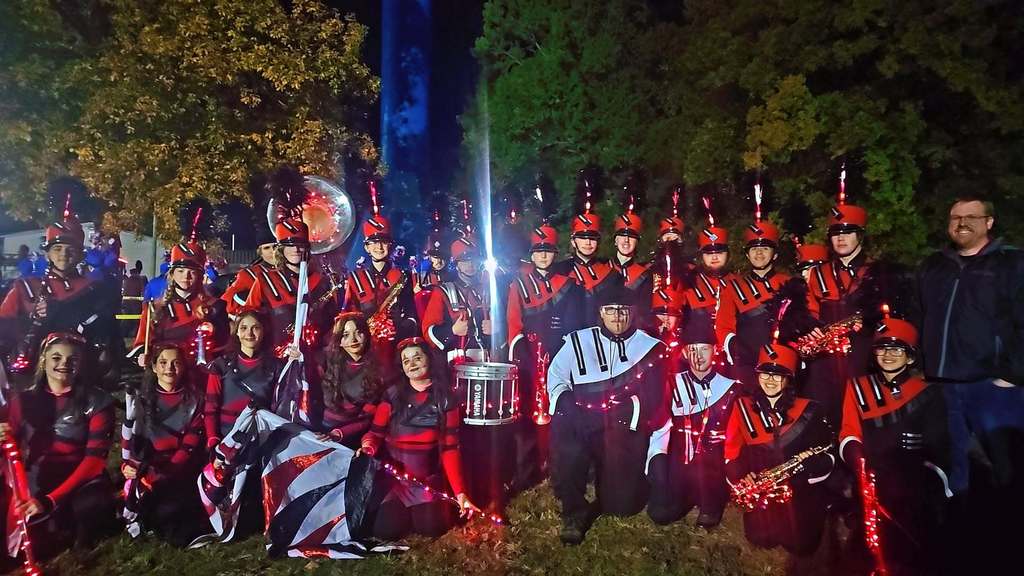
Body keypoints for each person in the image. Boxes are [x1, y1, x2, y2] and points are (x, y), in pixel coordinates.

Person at [916, 196, 1024, 571]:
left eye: (971, 217)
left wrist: (1013, 373)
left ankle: (1007, 543)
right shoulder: (936, 266)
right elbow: (921, 313)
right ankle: (962, 538)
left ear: (989, 222)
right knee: (954, 461)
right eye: (955, 217)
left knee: (1003, 466)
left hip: (993, 386)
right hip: (943, 382)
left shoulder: (1011, 264)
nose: (961, 223)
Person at [546, 284, 668, 545]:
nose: (617, 316)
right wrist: (566, 402)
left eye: (623, 310)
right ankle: (573, 512)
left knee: (621, 506)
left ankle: (616, 476)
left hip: (622, 426)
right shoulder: (578, 340)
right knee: (568, 442)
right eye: (610, 310)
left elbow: (655, 396)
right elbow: (556, 375)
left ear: (633, 313)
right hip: (581, 419)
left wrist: (626, 415)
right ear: (601, 313)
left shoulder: (651, 347)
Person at [838, 316, 950, 574]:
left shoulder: (927, 392)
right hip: (870, 477)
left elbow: (939, 444)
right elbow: (848, 432)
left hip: (912, 482)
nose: (888, 355)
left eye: (897, 349)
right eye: (882, 348)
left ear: (910, 357)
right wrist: (856, 456)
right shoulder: (857, 387)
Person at [0, 333, 116, 556]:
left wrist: (49, 500)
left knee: (92, 504)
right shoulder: (22, 400)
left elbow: (94, 461)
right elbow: (10, 447)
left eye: (72, 359)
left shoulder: (98, 402)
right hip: (35, 478)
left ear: (81, 363)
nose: (64, 364)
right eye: (56, 358)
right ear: (43, 360)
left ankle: (75, 528)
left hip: (80, 480)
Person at [357, 337, 480, 540]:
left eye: (417, 357)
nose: (412, 364)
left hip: (426, 483)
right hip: (395, 482)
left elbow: (450, 448)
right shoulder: (392, 395)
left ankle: (422, 512)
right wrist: (368, 446)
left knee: (431, 528)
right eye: (406, 361)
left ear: (429, 359)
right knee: (385, 530)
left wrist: (460, 493)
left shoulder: (446, 398)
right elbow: (375, 433)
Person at [724, 342, 834, 556]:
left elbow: (827, 458)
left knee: (802, 546)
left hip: (799, 487)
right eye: (765, 374)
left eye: (777, 375)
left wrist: (802, 471)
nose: (770, 380)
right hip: (763, 487)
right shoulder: (742, 406)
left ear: (788, 379)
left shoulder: (810, 410)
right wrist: (741, 476)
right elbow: (731, 451)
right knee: (760, 539)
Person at [506, 223, 585, 490]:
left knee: (561, 410)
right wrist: (522, 355)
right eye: (538, 251)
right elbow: (513, 323)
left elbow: (575, 323)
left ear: (555, 253)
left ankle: (559, 465)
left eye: (548, 251)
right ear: (531, 254)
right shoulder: (518, 285)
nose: (543, 256)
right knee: (527, 412)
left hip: (560, 356)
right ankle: (527, 470)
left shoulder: (569, 284)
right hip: (529, 358)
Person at [646, 318, 738, 529]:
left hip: (713, 461)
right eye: (692, 350)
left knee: (709, 475)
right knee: (660, 513)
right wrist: (657, 459)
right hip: (680, 457)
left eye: (704, 349)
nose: (698, 356)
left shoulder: (731, 388)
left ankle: (710, 502)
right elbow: (660, 426)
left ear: (715, 351)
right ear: (685, 353)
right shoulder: (672, 382)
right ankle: (687, 493)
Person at [0, 207, 114, 373]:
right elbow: (3, 325)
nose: (64, 254)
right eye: (57, 248)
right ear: (47, 254)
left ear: (81, 255)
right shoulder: (25, 287)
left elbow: (105, 330)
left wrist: (57, 310)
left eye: (70, 250)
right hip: (29, 373)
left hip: (79, 373)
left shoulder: (95, 290)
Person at [121, 343, 207, 546]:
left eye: (176, 363)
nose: (169, 368)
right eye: (163, 362)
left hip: (180, 468)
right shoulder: (141, 401)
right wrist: (128, 465)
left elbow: (189, 446)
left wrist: (165, 472)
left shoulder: (195, 400)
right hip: (148, 467)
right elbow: (131, 437)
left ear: (184, 367)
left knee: (176, 504)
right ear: (154, 367)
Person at [716, 220, 793, 389]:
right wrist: (737, 350)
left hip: (784, 366)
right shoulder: (732, 288)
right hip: (747, 367)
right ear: (747, 254)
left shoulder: (791, 284)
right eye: (754, 249)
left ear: (775, 254)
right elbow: (723, 327)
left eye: (765, 248)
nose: (759, 253)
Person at [243, 217, 339, 351]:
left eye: (300, 245)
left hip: (315, 356)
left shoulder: (322, 281)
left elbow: (334, 320)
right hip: (276, 357)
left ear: (307, 248)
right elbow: (248, 317)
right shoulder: (265, 280)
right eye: (289, 245)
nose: (295, 250)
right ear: (281, 249)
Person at [130, 239, 227, 364]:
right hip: (168, 375)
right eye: (180, 271)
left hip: (203, 376)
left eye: (192, 272)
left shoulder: (215, 307)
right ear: (172, 274)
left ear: (200, 276)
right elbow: (142, 343)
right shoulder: (154, 308)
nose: (185, 277)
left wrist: (213, 331)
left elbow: (225, 345)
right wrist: (142, 356)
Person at [343, 213, 419, 346]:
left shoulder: (404, 276)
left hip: (397, 343)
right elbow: (349, 315)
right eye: (373, 243)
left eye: (384, 242)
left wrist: (398, 331)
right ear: (366, 247)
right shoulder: (355, 278)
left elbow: (411, 313)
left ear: (390, 246)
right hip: (365, 345)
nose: (379, 247)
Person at [317, 312, 389, 450]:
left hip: (349, 438)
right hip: (317, 431)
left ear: (367, 335)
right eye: (346, 335)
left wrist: (339, 433)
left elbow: (367, 419)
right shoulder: (326, 362)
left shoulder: (378, 372)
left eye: (358, 333)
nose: (353, 340)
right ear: (339, 340)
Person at [422, 236, 492, 364]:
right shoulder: (443, 291)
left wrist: (497, 328)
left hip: (490, 359)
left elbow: (511, 323)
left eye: (474, 260)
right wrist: (452, 331)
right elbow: (428, 332)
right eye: (464, 261)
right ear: (456, 264)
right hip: (456, 362)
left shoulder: (490, 290)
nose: (470, 265)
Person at [555, 206, 619, 326]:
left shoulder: (612, 275)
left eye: (592, 238)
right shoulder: (560, 271)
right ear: (573, 242)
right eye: (582, 238)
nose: (588, 243)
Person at [610, 208, 652, 318]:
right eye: (622, 236)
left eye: (631, 237)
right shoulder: (602, 268)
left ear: (637, 242)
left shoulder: (645, 274)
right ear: (615, 241)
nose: (626, 241)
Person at [222, 237, 277, 317]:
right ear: (260, 252)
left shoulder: (293, 269)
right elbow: (225, 304)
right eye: (266, 248)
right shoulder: (248, 274)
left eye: (275, 246)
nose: (272, 251)